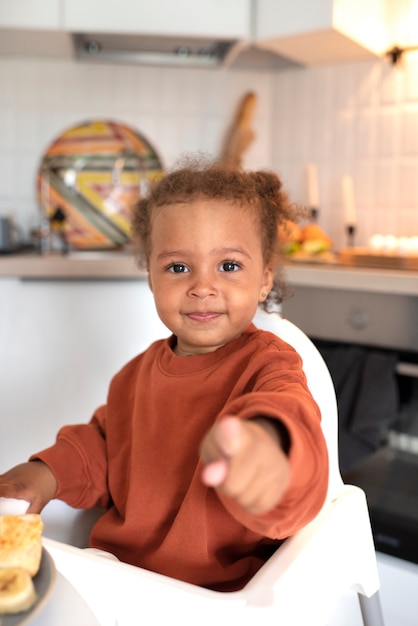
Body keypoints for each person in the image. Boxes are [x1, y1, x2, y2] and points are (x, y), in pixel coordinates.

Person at [0, 158, 328, 592]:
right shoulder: (135, 376)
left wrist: (267, 447)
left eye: (228, 266)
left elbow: (287, 413)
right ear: (152, 278)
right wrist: (43, 474)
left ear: (264, 279)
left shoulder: (269, 365)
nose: (202, 286)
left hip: (213, 596)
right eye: (178, 267)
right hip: (120, 575)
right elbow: (103, 446)